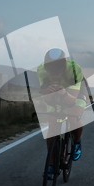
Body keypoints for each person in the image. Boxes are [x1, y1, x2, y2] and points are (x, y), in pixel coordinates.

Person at [37, 48, 86, 178]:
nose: (55, 75)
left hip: (75, 92)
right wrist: (48, 91)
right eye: (51, 72)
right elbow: (47, 99)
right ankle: (51, 165)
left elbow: (71, 100)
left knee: (73, 117)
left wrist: (64, 93)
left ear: (64, 66)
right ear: (46, 68)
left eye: (58, 71)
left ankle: (77, 141)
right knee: (52, 126)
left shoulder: (74, 69)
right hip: (56, 92)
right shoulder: (41, 70)